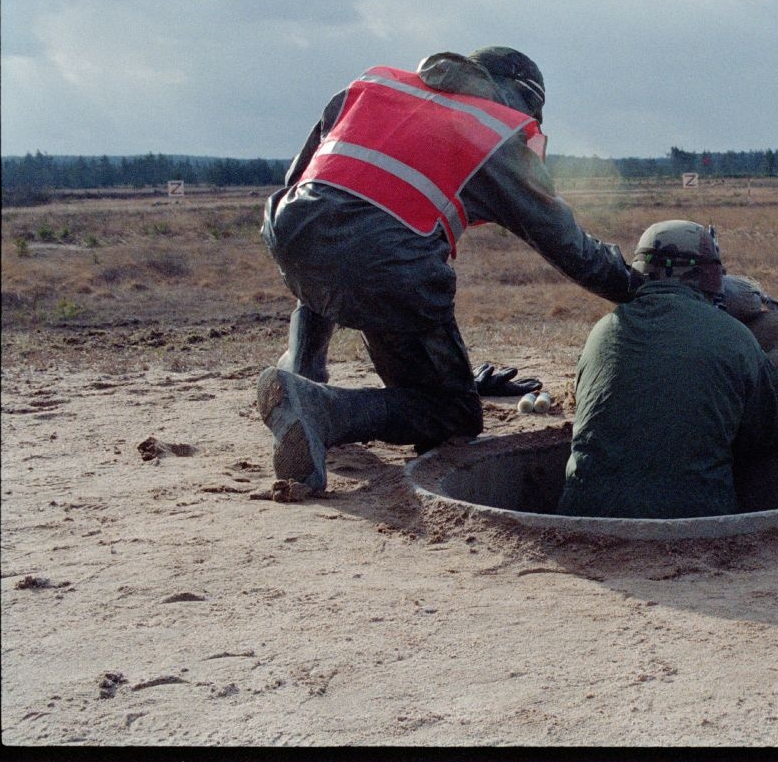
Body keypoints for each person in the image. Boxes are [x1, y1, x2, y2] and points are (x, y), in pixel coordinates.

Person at [256, 47, 644, 491]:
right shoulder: (494, 132)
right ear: (521, 97)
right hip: (381, 265)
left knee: (331, 239)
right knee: (451, 413)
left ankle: (301, 369)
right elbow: (572, 250)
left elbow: (310, 190)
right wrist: (647, 288)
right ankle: (320, 408)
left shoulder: (373, 87)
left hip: (290, 227)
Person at [557, 220, 778, 519]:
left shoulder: (601, 333)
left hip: (583, 519)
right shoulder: (735, 337)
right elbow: (766, 438)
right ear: (710, 273)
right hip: (695, 523)